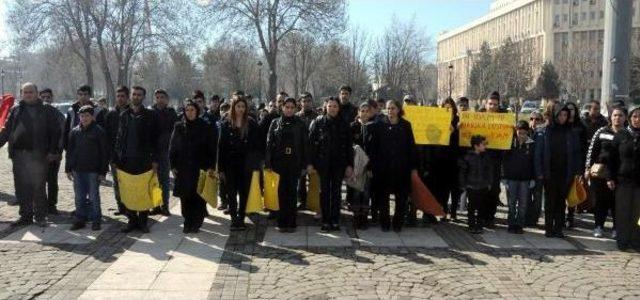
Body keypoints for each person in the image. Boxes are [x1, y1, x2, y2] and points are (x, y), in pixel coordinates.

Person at [0, 83, 62, 227]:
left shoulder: (46, 110)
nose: (28, 94)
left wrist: (53, 151)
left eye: (31, 92)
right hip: (19, 156)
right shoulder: (16, 110)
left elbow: (55, 131)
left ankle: (40, 216)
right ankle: (25, 216)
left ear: (36, 93)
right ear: (22, 94)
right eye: (25, 92)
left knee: (38, 187)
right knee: (21, 187)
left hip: (38, 155)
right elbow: (7, 131)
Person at [113, 86, 160, 234]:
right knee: (129, 190)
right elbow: (119, 138)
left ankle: (143, 221)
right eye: (134, 94)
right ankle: (132, 220)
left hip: (145, 159)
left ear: (143, 97)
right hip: (127, 160)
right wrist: (116, 158)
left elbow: (156, 139)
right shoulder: (124, 115)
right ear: (130, 96)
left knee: (144, 190)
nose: (136, 97)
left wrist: (155, 159)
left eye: (139, 95)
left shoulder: (151, 115)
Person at [368, 100, 418, 232]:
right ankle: (384, 222)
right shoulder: (379, 125)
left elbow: (411, 147)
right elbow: (373, 147)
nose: (390, 111)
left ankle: (398, 222)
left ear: (399, 110)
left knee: (401, 198)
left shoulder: (406, 125)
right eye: (388, 108)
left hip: (401, 168)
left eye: (393, 108)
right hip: (383, 168)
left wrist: (413, 167)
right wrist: (371, 166)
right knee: (383, 197)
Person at [534, 104, 583, 238]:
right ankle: (549, 228)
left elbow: (577, 153)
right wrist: (539, 173)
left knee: (561, 202)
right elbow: (538, 154)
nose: (563, 118)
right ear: (554, 115)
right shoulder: (543, 131)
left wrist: (578, 171)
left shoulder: (571, 132)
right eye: (560, 115)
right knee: (550, 201)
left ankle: (558, 228)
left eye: (565, 115)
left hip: (565, 172)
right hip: (549, 172)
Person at [170, 101, 217, 233]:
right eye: (187, 110)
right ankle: (187, 221)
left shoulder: (205, 126)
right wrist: (173, 165)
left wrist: (211, 166)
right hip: (184, 167)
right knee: (185, 196)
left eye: (192, 110)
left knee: (199, 197)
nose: (190, 113)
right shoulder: (179, 126)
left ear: (197, 111)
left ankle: (196, 222)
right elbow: (172, 147)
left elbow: (211, 148)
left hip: (200, 167)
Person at [309, 97, 354, 232]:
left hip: (339, 163)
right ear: (326, 107)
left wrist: (349, 165)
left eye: (335, 106)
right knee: (324, 192)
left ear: (338, 108)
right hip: (323, 163)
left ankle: (335, 220)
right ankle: (325, 220)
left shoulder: (344, 123)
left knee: (336, 192)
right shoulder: (318, 122)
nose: (332, 108)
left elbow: (348, 146)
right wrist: (310, 163)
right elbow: (311, 144)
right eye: (330, 106)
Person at [265, 97, 310, 232]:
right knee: (280, 192)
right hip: (279, 162)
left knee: (292, 192)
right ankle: (281, 221)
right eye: (287, 107)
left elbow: (305, 145)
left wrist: (304, 165)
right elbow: (269, 143)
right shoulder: (275, 123)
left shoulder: (300, 123)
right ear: (283, 108)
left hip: (294, 162)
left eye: (292, 107)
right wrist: (268, 163)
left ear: (295, 109)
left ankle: (291, 221)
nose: (289, 110)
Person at [218, 96, 261, 231]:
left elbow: (256, 145)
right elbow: (221, 146)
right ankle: (233, 219)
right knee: (231, 192)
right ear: (233, 107)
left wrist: (255, 164)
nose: (241, 109)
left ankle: (241, 217)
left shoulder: (251, 123)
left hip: (246, 164)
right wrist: (220, 168)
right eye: (238, 106)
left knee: (244, 192)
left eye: (243, 107)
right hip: (230, 163)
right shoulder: (226, 123)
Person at [66, 105, 109, 231]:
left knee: (94, 196)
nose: (84, 118)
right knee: (79, 196)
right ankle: (80, 219)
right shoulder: (75, 131)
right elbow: (70, 151)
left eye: (87, 116)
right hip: (78, 170)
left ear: (92, 117)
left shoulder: (99, 131)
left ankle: (96, 220)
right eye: (82, 116)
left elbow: (104, 153)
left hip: (93, 170)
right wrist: (68, 168)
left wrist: (103, 172)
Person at [586, 107, 626, 238]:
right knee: (600, 202)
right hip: (601, 173)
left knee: (617, 203)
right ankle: (598, 226)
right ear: (611, 117)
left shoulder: (627, 134)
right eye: (615, 115)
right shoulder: (602, 131)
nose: (617, 118)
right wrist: (587, 168)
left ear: (625, 118)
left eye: (620, 115)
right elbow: (592, 151)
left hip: (620, 174)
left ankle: (616, 227)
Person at [606, 105, 640, 251]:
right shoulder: (621, 135)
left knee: (638, 214)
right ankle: (623, 241)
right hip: (623, 181)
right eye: (635, 116)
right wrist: (610, 178)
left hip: (639, 182)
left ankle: (636, 241)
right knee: (623, 212)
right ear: (629, 118)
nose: (638, 120)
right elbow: (612, 159)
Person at [502, 121, 535, 234]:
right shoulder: (510, 143)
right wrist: (504, 176)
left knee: (523, 203)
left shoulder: (531, 144)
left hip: (525, 179)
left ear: (527, 133)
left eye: (524, 133)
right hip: (511, 178)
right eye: (519, 133)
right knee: (511, 203)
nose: (522, 136)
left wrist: (533, 178)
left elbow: (533, 163)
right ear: (516, 132)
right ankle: (511, 224)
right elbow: (504, 161)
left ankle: (519, 224)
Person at [479, 91, 505, 228]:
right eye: (490, 104)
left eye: (495, 104)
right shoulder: (477, 117)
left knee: (494, 189)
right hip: (480, 159)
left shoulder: (504, 118)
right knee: (481, 188)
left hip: (495, 160)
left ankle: (490, 217)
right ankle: (481, 216)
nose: (493, 106)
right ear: (485, 103)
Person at [151, 89, 178, 216]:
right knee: (154, 181)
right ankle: (156, 205)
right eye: (157, 97)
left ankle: (165, 206)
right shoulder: (150, 113)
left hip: (166, 152)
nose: (159, 99)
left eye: (162, 97)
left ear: (167, 99)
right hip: (152, 152)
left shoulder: (172, 113)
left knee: (165, 181)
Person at [458, 135, 493, 234]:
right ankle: (471, 225)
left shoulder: (486, 156)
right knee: (472, 207)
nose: (485, 146)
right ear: (476, 146)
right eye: (483, 144)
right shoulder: (468, 157)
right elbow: (463, 172)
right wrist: (463, 185)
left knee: (481, 206)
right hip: (471, 186)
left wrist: (489, 182)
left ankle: (479, 225)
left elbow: (489, 170)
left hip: (483, 186)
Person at [105, 86, 130, 215]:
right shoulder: (110, 114)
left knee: (129, 182)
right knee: (117, 182)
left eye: (123, 96)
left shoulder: (132, 113)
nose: (120, 99)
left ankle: (131, 207)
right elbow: (107, 136)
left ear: (127, 97)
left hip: (130, 155)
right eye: (118, 96)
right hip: (115, 156)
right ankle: (121, 206)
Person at [39, 88, 65, 215]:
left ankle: (52, 205)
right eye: (43, 97)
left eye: (48, 97)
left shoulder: (58, 114)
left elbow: (62, 134)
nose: (45, 100)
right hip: (38, 156)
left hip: (53, 154)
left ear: (52, 98)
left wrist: (57, 152)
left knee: (52, 181)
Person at [350, 102, 374, 229]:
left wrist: (371, 167)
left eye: (367, 111)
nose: (364, 113)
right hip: (356, 166)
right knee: (356, 192)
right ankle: (356, 216)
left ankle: (364, 217)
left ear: (370, 113)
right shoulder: (353, 127)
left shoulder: (374, 127)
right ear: (358, 112)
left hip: (368, 166)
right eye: (362, 110)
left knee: (366, 192)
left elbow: (375, 149)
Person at [565, 101, 588, 228]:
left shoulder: (581, 126)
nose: (570, 112)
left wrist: (582, 167)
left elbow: (584, 147)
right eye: (567, 109)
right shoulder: (561, 124)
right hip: (562, 163)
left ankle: (570, 216)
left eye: (572, 109)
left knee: (572, 192)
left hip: (576, 163)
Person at [63, 85, 105, 151]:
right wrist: (67, 147)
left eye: (85, 94)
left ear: (90, 96)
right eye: (80, 94)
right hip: (74, 147)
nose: (83, 97)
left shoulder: (97, 111)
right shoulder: (71, 110)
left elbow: (102, 131)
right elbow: (66, 130)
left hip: (93, 148)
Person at [296, 92, 318, 209]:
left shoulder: (317, 117)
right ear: (300, 103)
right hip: (300, 152)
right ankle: (301, 200)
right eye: (304, 101)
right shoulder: (296, 117)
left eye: (308, 101)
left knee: (314, 178)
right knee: (301, 178)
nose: (306, 103)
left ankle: (313, 201)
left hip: (314, 151)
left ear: (312, 102)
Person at [526, 110, 546, 227]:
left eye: (537, 119)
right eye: (531, 119)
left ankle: (534, 218)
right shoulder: (524, 132)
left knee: (537, 197)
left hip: (538, 172)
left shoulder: (543, 134)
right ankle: (527, 217)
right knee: (526, 196)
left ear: (542, 121)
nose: (534, 121)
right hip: (527, 171)